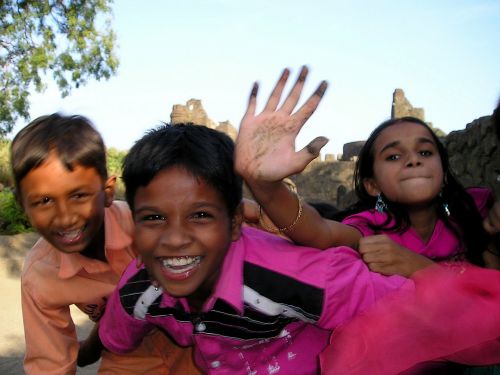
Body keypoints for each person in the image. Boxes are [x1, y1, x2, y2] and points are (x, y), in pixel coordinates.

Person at [234, 66, 500, 372]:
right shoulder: (371, 230)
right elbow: (318, 232)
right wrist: (266, 186)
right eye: (393, 156)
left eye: (425, 152)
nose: (413, 159)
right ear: (372, 184)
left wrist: (415, 266)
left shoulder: (476, 213)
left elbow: (489, 296)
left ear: (443, 172)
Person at [96, 122, 413, 375]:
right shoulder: (138, 291)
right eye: (154, 218)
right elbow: (112, 336)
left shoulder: (299, 279)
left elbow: (417, 310)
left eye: (200, 216)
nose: (175, 239)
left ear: (235, 222)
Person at [11, 114, 199, 374]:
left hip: (199, 343)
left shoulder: (148, 222)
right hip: (127, 357)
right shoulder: (40, 276)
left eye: (78, 195)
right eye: (44, 201)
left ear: (108, 192)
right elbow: (50, 365)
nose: (65, 217)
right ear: (23, 206)